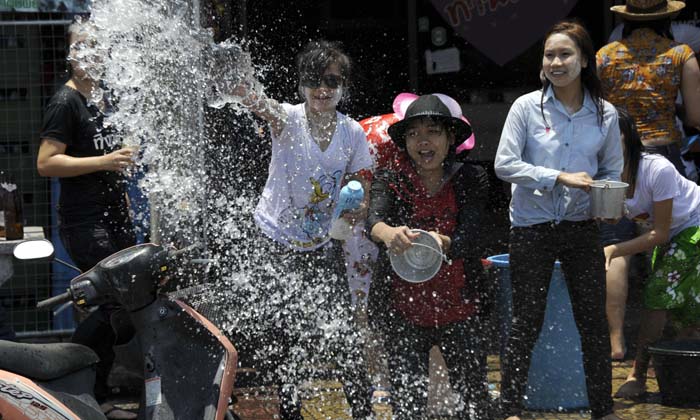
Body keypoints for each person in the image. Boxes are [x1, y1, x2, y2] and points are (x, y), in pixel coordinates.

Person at [230, 40, 374, 420]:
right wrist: (237, 81)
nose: (322, 89)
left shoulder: (352, 133)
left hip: (321, 241)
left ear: (343, 86)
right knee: (280, 334)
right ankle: (289, 413)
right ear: (301, 85)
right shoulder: (287, 119)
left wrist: (353, 212)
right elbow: (256, 102)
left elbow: (362, 184)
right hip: (275, 238)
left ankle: (363, 412)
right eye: (314, 80)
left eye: (331, 80)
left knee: (341, 330)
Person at [494, 20, 623, 420]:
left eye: (565, 54)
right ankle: (511, 407)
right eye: (550, 55)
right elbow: (504, 165)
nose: (556, 62)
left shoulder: (605, 114)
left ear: (584, 60)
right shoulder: (525, 107)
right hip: (532, 226)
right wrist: (558, 177)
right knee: (525, 321)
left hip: (581, 227)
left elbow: (613, 170)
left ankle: (603, 409)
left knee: (593, 323)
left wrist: (608, 197)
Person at [367, 94, 491, 420]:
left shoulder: (471, 178)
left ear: (451, 139)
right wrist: (388, 234)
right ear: (405, 142)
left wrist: (446, 242)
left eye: (433, 132)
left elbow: (473, 234)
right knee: (407, 406)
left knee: (474, 402)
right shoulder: (390, 178)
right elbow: (373, 222)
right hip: (403, 311)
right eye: (413, 134)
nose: (423, 141)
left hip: (461, 308)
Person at [36, 20, 137, 420]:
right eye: (79, 47)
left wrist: (125, 156)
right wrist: (106, 161)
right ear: (69, 54)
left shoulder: (104, 98)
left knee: (122, 305)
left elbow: (113, 155)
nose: (87, 54)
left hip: (114, 216)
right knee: (113, 302)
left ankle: (93, 392)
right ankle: (69, 386)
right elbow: (46, 163)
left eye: (95, 47)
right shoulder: (66, 102)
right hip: (85, 222)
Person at [604, 107, 700, 400]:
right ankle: (682, 376)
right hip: (671, 234)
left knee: (657, 294)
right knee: (686, 311)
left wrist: (614, 249)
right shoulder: (605, 172)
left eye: (612, 134)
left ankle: (638, 375)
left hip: (694, 227)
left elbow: (659, 233)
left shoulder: (657, 169)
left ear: (629, 136)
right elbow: (613, 218)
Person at [597, 0, 700, 176]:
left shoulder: (604, 55)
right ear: (666, 17)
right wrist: (672, 108)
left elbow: (597, 111)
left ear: (626, 19)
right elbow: (695, 117)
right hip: (664, 154)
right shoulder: (681, 54)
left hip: (618, 154)